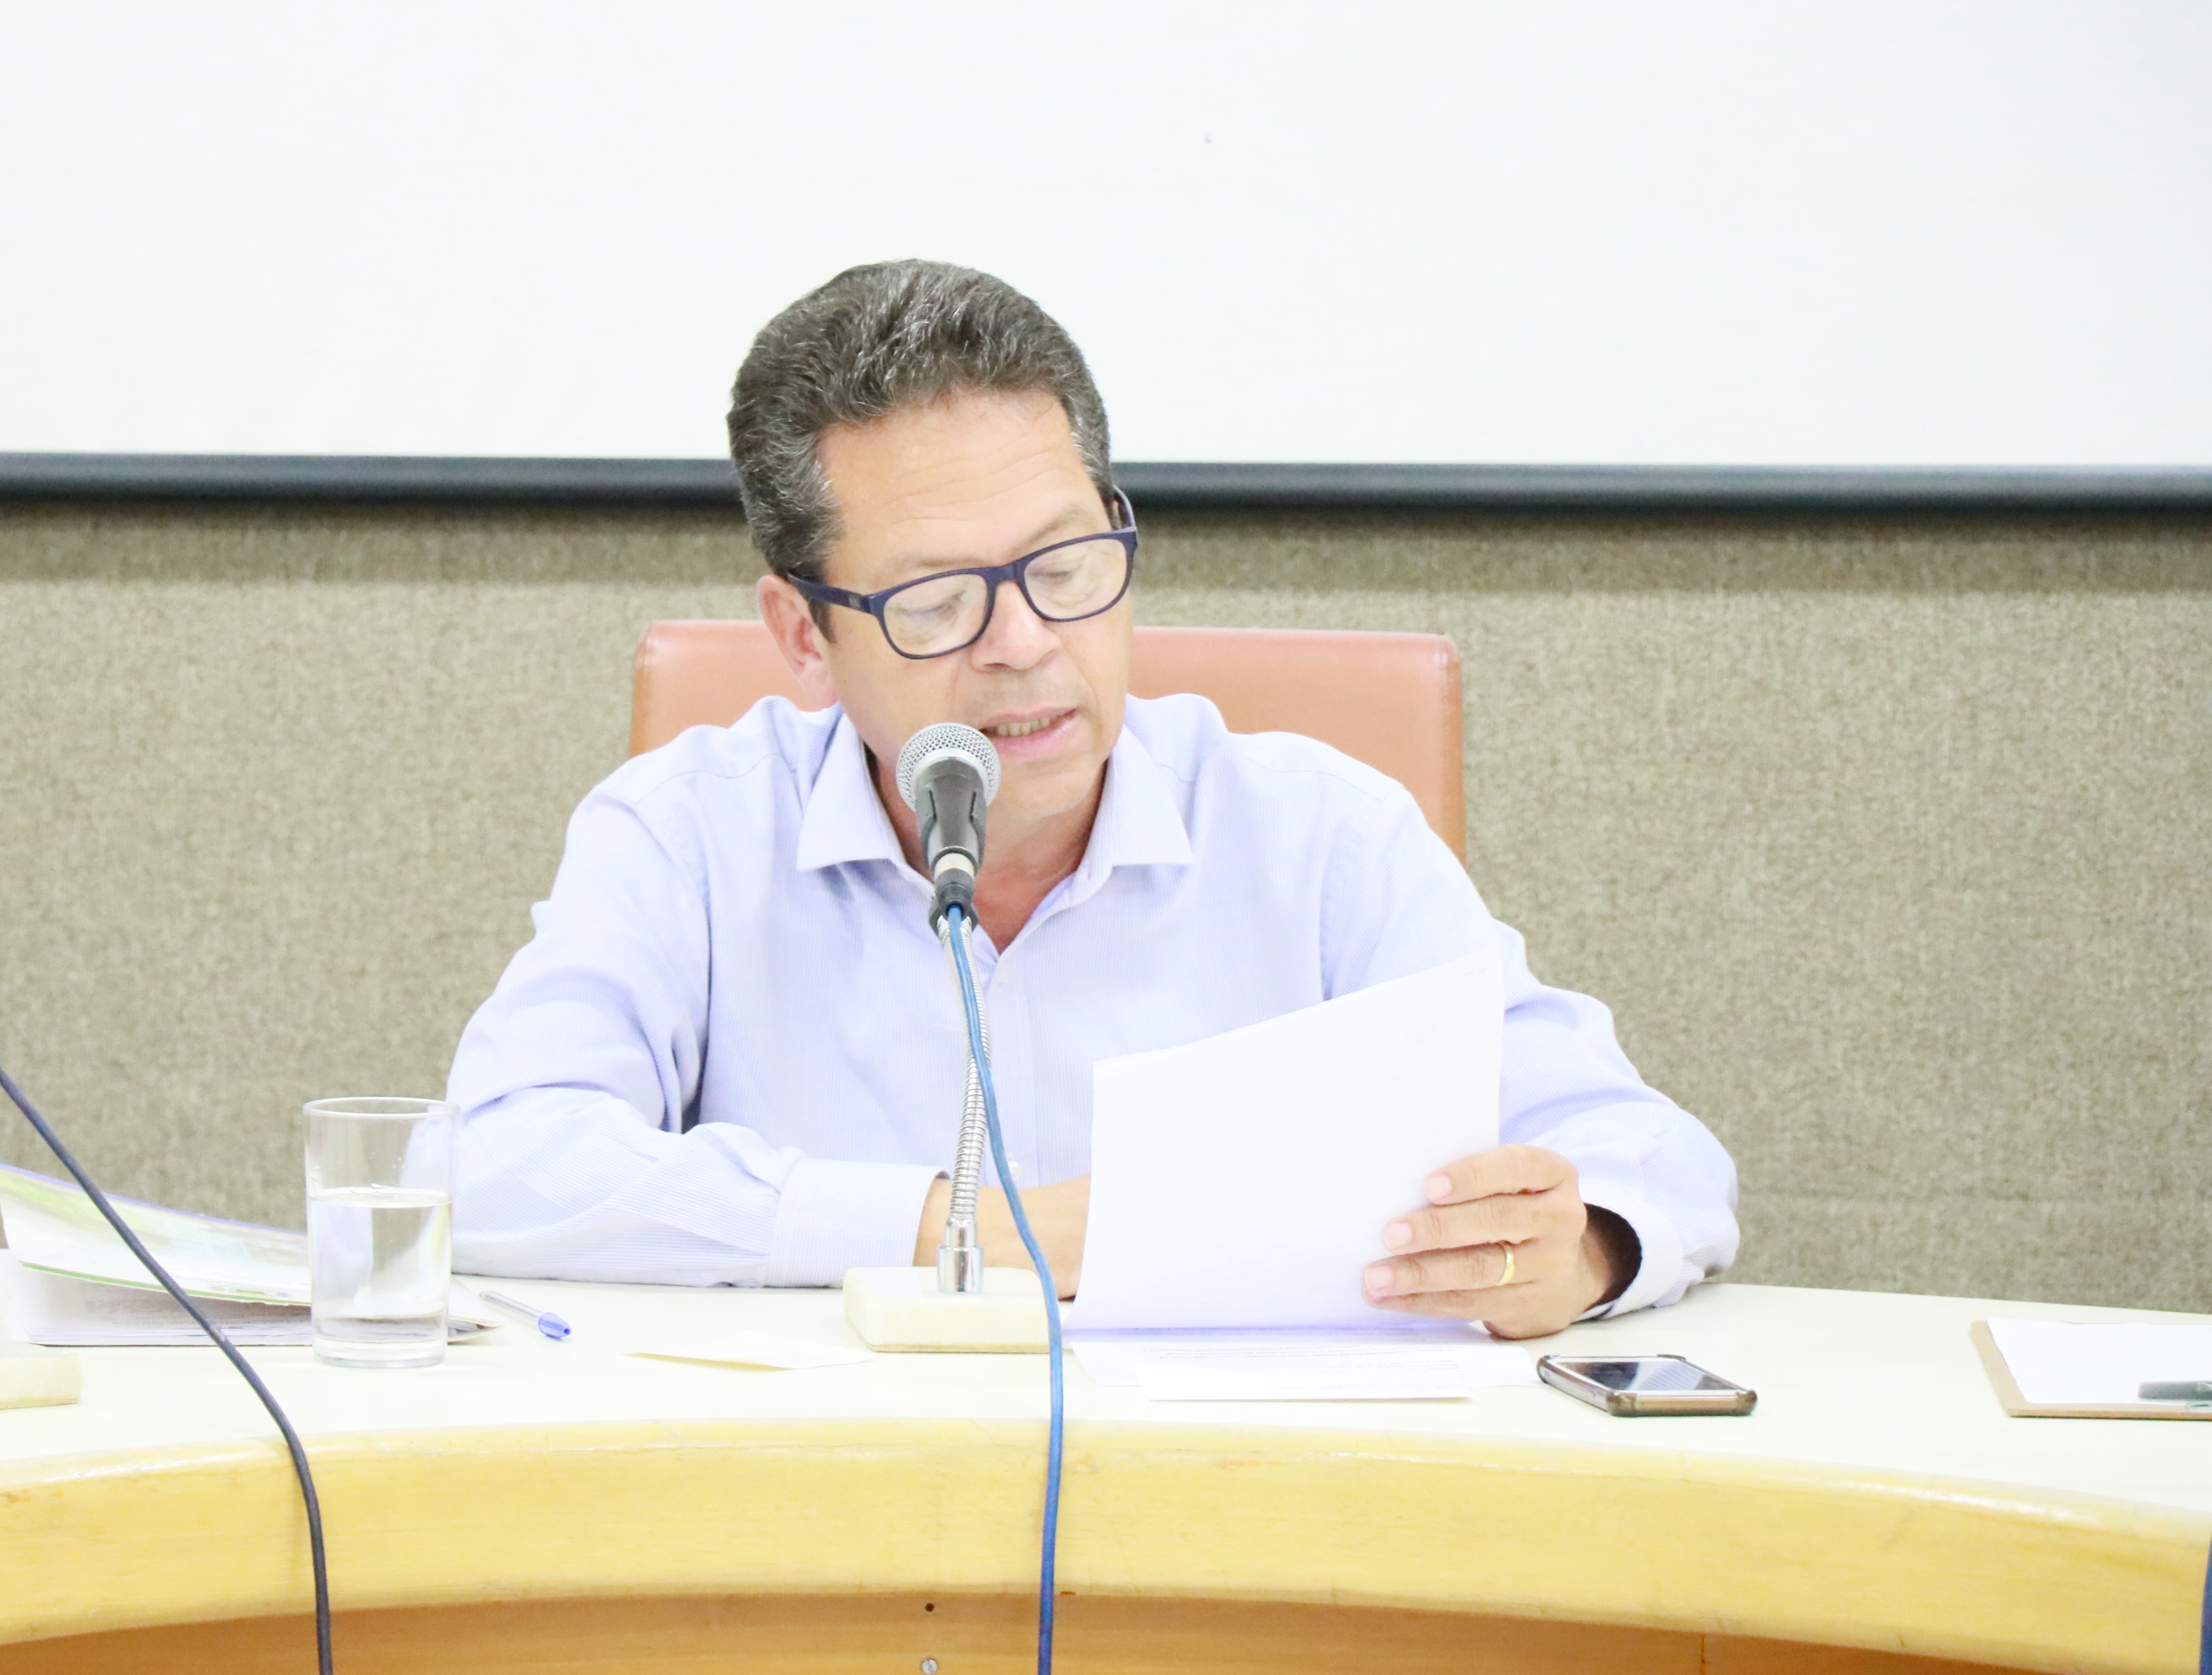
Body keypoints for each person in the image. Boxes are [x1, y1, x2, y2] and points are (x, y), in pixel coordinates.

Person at [447, 259, 1736, 1339]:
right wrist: (961, 1225)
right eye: (935, 600)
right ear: (802, 634)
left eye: (1066, 564)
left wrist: (1578, 1249)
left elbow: (1647, 1156)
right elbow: (489, 1163)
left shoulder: (1319, 836)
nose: (1024, 645)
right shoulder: (687, 832)